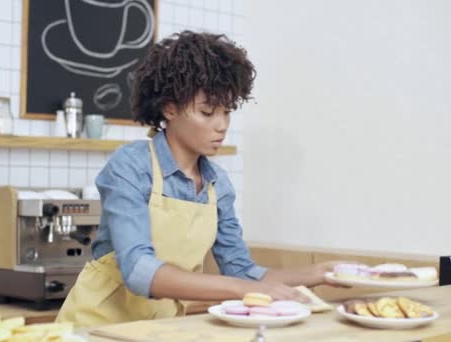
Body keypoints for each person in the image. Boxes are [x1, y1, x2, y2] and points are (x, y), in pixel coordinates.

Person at [56, 31, 341, 327]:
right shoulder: (130, 166)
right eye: (207, 112)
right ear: (170, 108)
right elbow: (138, 270)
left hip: (157, 331)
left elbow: (242, 272)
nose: (221, 126)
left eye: (227, 112)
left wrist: (319, 274)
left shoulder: (217, 184)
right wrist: (245, 289)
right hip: (92, 329)